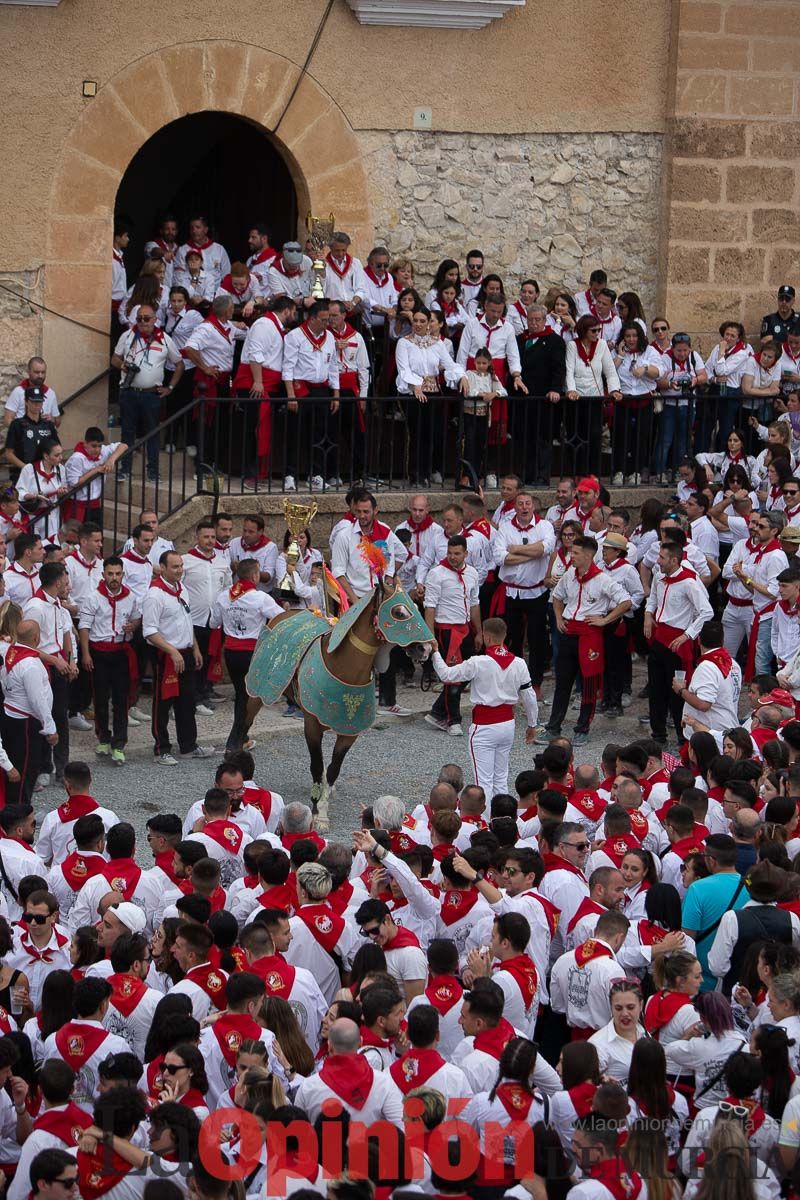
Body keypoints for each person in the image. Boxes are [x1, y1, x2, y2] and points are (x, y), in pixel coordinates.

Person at [428, 617, 538, 798]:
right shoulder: (519, 663)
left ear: (487, 637)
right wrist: (532, 725)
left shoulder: (478, 663)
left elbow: (446, 675)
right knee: (501, 778)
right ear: (504, 636)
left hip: (484, 726)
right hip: (507, 725)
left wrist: (435, 652)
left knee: (483, 781)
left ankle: (486, 822)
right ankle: (503, 818)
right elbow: (529, 696)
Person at [544, 534, 632, 746]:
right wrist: (558, 617)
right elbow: (557, 597)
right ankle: (553, 727)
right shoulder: (569, 575)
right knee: (563, 682)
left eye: (575, 553)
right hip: (568, 631)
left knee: (589, 683)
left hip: (589, 634)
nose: (571, 556)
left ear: (589, 555)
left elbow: (626, 601)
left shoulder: (602, 579)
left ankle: (583, 727)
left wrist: (605, 620)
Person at [141, 550, 213, 766]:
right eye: (174, 567)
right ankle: (161, 748)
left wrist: (195, 648)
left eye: (181, 566)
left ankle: (188, 745)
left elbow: (187, 620)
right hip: (166, 654)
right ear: (162, 568)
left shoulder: (182, 589)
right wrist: (172, 651)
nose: (179, 570)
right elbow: (149, 631)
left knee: (187, 701)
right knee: (163, 703)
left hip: (186, 652)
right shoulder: (154, 595)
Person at [645, 538, 714, 745]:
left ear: (674, 560)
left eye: (662, 557)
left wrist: (687, 635)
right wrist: (648, 615)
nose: (657, 561)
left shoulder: (689, 582)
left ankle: (681, 737)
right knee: (656, 689)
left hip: (677, 642)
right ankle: (658, 734)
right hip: (659, 639)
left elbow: (707, 611)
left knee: (677, 692)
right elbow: (653, 600)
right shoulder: (659, 577)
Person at [77, 555, 140, 764]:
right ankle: (103, 737)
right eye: (110, 574)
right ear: (103, 575)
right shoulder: (93, 598)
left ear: (123, 574)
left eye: (118, 574)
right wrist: (86, 654)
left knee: (121, 701)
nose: (114, 578)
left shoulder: (130, 597)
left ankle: (119, 743)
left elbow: (137, 616)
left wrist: (134, 625)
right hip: (99, 653)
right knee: (101, 698)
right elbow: (84, 626)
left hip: (121, 651)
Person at [111, 306, 181, 483]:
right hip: (129, 392)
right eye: (139, 318)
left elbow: (179, 364)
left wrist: (170, 388)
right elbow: (115, 358)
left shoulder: (164, 339)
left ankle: (152, 471)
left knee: (153, 433)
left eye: (146, 318)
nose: (142, 322)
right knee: (127, 433)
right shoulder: (127, 336)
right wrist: (123, 366)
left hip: (151, 395)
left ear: (155, 319)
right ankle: (124, 469)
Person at [422, 534, 481, 736]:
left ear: (466, 553)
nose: (453, 557)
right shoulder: (437, 574)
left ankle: (438, 711)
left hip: (465, 629)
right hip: (447, 631)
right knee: (454, 677)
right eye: (450, 553)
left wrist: (479, 631)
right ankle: (452, 719)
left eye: (457, 553)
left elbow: (474, 603)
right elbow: (430, 606)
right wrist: (430, 637)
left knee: (470, 671)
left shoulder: (472, 573)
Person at [281, 299, 341, 492]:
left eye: (329, 319)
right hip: (300, 389)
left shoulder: (330, 338)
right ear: (311, 318)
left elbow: (333, 366)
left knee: (319, 434)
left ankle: (316, 475)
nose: (327, 323)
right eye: (324, 320)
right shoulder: (295, 336)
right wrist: (291, 395)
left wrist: (336, 394)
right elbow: (288, 366)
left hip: (321, 390)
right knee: (294, 433)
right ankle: (290, 474)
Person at [682, 834, 749, 990]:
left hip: (704, 982)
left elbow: (687, 939)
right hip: (739, 980)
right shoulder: (750, 886)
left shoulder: (697, 889)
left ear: (711, 860)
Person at [0, 621, 54, 803]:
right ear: (36, 638)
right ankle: (20, 812)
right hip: (26, 722)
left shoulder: (11, 653)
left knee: (19, 767)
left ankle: (14, 808)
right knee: (25, 770)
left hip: (13, 716)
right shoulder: (29, 664)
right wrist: (50, 728)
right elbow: (37, 700)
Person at [564, 314, 622, 476]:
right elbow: (569, 371)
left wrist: (614, 390)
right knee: (575, 437)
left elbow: (609, 371)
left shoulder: (602, 345)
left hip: (594, 399)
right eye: (593, 330)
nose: (597, 333)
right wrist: (571, 390)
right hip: (576, 399)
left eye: (599, 330)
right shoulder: (572, 346)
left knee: (594, 437)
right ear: (584, 331)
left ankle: (593, 474)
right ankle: (577, 473)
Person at [589, 978, 645, 1082]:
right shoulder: (597, 1045)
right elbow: (590, 1085)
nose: (624, 1014)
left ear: (641, 1005)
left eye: (630, 1007)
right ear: (611, 1007)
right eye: (618, 1008)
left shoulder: (643, 1032)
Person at [4, 388, 60, 486]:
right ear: (26, 402)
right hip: (23, 475)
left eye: (39, 401)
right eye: (33, 401)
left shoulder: (48, 425)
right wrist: (27, 469)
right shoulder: (17, 425)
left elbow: (57, 449)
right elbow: (9, 454)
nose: (37, 404)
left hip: (46, 475)